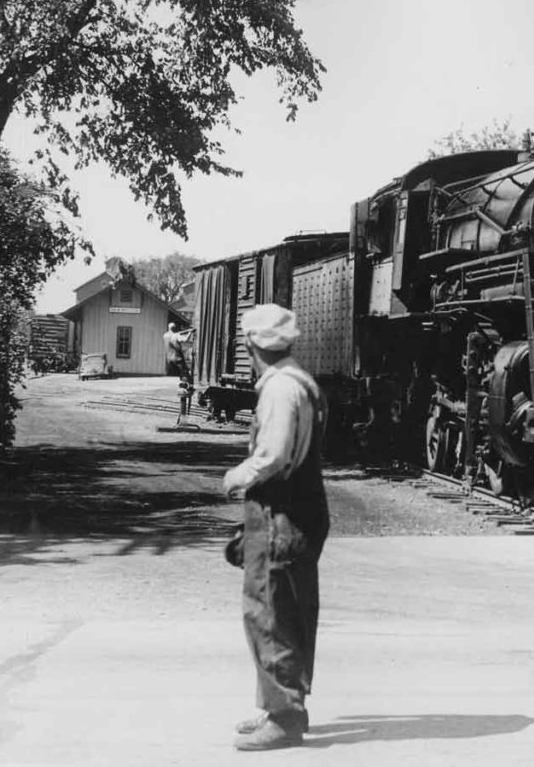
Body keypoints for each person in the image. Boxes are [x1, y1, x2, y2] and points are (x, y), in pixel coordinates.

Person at [221, 304, 330, 751]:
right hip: (301, 507)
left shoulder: (280, 388)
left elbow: (275, 454)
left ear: (252, 345)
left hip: (280, 510)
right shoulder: (302, 381)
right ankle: (279, 705)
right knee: (288, 607)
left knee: (270, 610)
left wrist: (239, 476)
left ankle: (285, 718)